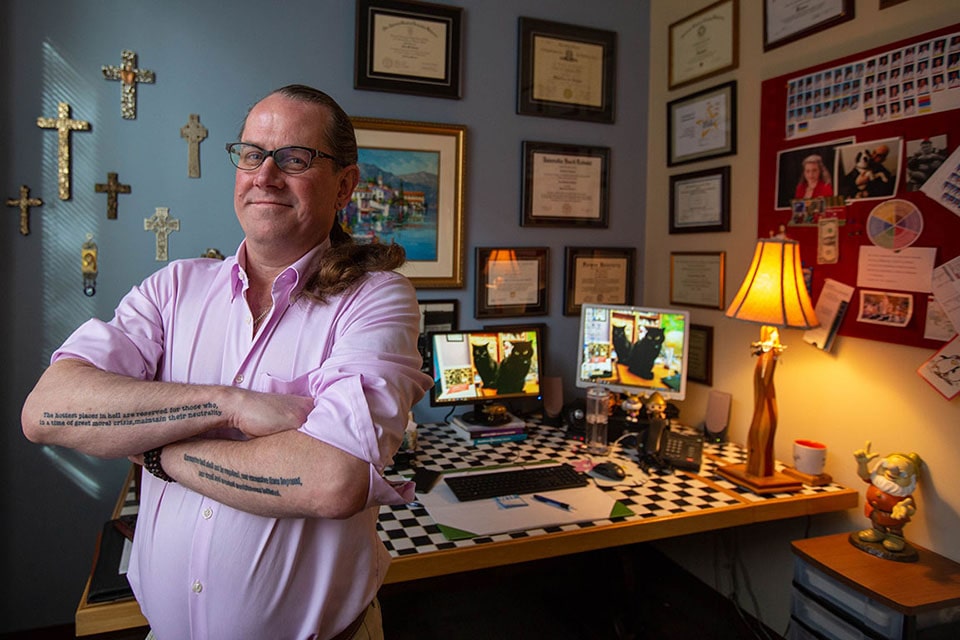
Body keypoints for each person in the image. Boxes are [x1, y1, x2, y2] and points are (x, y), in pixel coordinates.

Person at [21, 84, 433, 640]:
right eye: (251, 154)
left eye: (295, 158)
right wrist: (229, 405)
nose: (265, 175)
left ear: (345, 185)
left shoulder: (375, 299)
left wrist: (156, 451)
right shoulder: (173, 289)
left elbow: (331, 480)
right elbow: (47, 410)